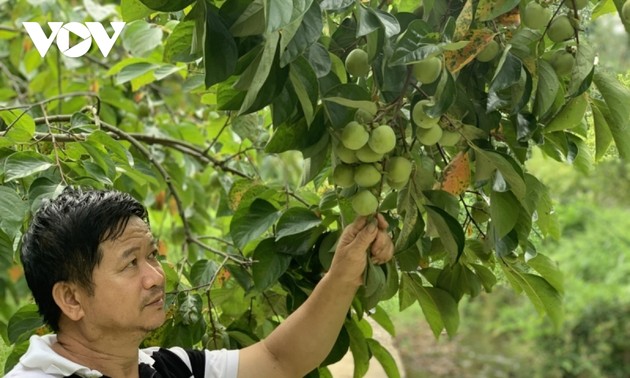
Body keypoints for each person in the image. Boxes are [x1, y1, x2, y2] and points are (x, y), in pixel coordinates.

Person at [6, 187, 394, 377]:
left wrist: (344, 269)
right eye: (130, 263)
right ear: (72, 298)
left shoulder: (170, 368)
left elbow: (279, 360)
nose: (156, 277)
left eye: (152, 255)